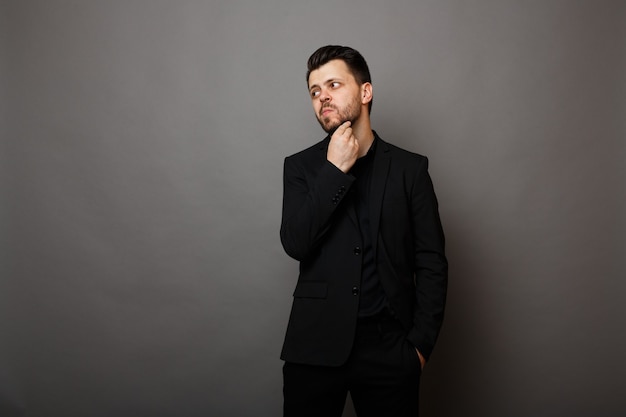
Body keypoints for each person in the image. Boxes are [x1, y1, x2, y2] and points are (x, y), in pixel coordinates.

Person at [279, 45, 448, 417]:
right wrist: (334, 172)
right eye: (314, 91)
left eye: (333, 84)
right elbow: (295, 242)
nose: (322, 96)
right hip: (314, 349)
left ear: (365, 92)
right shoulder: (301, 168)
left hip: (390, 350)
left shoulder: (410, 169)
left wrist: (418, 348)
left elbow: (432, 261)